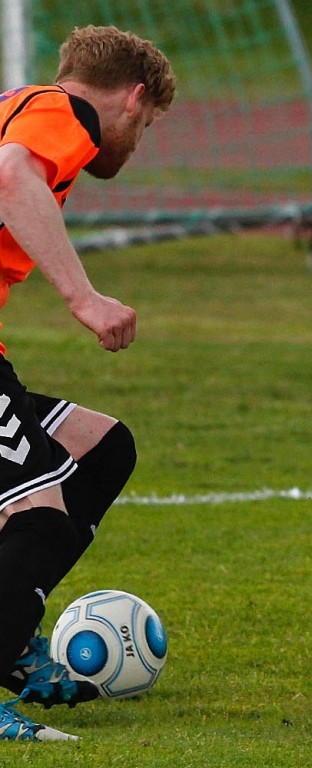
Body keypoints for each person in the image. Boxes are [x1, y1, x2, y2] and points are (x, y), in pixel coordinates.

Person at [0, 26, 175, 740]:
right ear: (132, 101)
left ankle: (11, 643)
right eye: (148, 126)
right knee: (39, 511)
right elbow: (13, 178)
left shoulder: (17, 104)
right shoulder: (61, 112)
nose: (136, 145)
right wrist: (84, 296)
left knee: (101, 448)